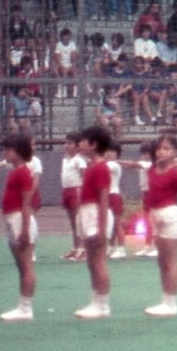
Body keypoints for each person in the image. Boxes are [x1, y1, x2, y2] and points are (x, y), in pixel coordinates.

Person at [142, 133, 177, 317]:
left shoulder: (176, 173)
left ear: (175, 152)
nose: (161, 151)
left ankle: (172, 302)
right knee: (161, 261)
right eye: (159, 148)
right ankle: (165, 300)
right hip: (156, 215)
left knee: (170, 260)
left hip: (171, 215)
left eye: (166, 148)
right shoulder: (151, 170)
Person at [74, 126, 115, 320]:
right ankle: (95, 301)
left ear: (93, 144)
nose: (80, 144)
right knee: (92, 261)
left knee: (98, 261)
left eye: (83, 141)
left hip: (95, 213)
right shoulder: (91, 166)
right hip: (87, 212)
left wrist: (101, 227)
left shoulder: (100, 167)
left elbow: (104, 199)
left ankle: (103, 304)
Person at [0, 135, 37, 323]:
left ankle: (26, 308)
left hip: (20, 220)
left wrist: (24, 230)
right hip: (13, 220)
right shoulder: (15, 171)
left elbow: (27, 203)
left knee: (26, 265)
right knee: (21, 266)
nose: (5, 152)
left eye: (9, 149)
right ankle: (22, 306)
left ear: (19, 152)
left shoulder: (23, 172)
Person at [60, 131, 87, 262]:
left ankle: (82, 249)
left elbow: (85, 176)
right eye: (66, 142)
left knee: (78, 221)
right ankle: (75, 247)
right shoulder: (65, 159)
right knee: (72, 222)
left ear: (77, 146)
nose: (66, 145)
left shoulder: (79, 159)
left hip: (76, 190)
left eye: (70, 143)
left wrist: (83, 192)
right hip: (66, 191)